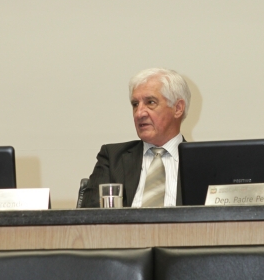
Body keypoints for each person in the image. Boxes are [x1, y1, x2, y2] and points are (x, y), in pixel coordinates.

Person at [81, 68, 191, 208]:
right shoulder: (113, 158)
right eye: (135, 104)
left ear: (178, 108)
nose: (139, 113)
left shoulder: (204, 163)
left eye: (150, 102)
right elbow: (89, 215)